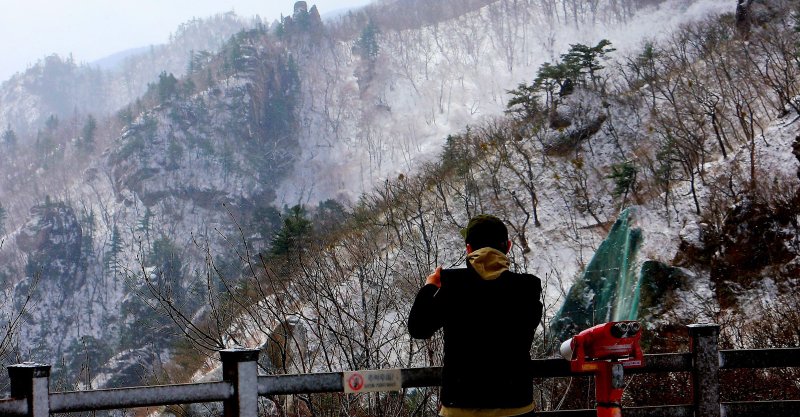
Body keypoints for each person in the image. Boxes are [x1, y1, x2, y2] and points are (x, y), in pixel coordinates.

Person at [408, 214, 543, 417]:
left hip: (460, 407)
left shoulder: (452, 286)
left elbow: (418, 328)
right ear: (508, 247)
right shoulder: (527, 288)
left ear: (468, 249)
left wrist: (429, 287)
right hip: (515, 406)